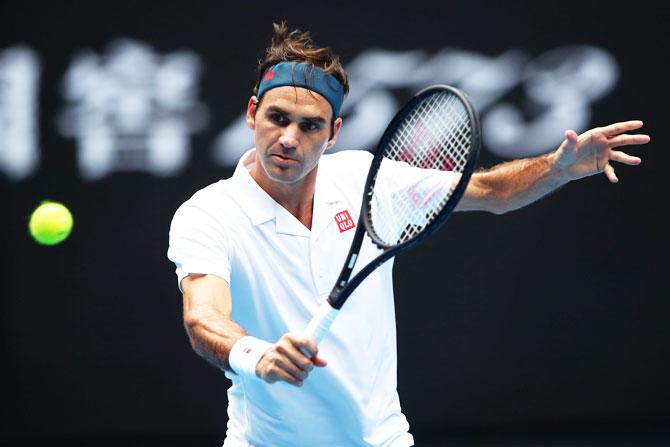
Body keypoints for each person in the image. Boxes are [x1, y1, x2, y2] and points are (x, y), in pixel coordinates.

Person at [167, 22, 650, 447]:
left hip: (381, 439)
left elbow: (488, 190)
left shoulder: (367, 180)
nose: (289, 138)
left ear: (333, 133)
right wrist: (257, 353)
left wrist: (558, 168)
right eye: (278, 118)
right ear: (253, 113)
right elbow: (204, 317)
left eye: (310, 126)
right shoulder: (208, 213)